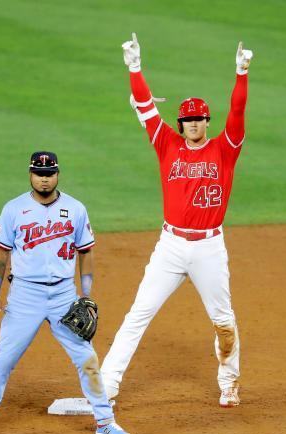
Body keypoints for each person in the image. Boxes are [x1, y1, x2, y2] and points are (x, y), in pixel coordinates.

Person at [100, 34, 253, 408]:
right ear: (180, 123)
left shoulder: (225, 148)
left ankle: (229, 383)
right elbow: (145, 108)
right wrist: (134, 68)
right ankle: (106, 387)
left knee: (224, 321)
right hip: (170, 246)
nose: (194, 124)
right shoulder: (166, 143)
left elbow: (237, 111)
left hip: (209, 247)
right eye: (188, 119)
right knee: (139, 313)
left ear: (206, 121)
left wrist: (241, 72)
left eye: (200, 119)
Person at [0, 151, 132, 434]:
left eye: (49, 173)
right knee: (3, 360)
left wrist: (86, 295)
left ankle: (105, 421)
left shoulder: (76, 208)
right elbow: (1, 253)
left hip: (64, 295)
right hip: (24, 295)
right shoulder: (13, 209)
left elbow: (86, 251)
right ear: (30, 174)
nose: (44, 179)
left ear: (58, 174)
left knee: (87, 359)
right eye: (39, 173)